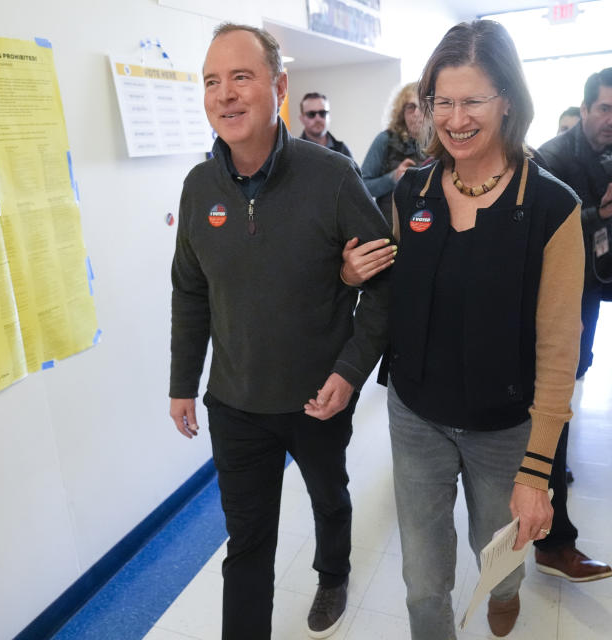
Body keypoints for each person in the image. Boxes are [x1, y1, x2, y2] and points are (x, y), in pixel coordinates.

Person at [344, 20, 584, 638]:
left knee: (497, 557)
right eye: (442, 102)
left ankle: (507, 592)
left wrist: (537, 473)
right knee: (424, 582)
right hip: (416, 413)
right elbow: (381, 283)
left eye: (472, 100)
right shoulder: (413, 190)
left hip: (504, 426)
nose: (455, 119)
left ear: (507, 99)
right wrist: (352, 272)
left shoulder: (553, 208)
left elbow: (560, 349)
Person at [169, 23, 390, 640]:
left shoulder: (333, 176)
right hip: (234, 404)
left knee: (328, 495)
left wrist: (348, 375)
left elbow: (384, 286)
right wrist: (183, 381)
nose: (226, 94)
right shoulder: (197, 189)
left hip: (316, 397)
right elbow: (189, 291)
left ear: (279, 87)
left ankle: (333, 570)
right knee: (247, 545)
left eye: (242, 77)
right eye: (213, 81)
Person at [532, 66, 612, 584]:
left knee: (568, 385)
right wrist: (602, 214)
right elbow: (543, 239)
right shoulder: (552, 158)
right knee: (551, 397)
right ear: (586, 105)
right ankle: (555, 538)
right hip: (552, 300)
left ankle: (542, 474)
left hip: (590, 288)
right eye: (605, 109)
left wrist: (610, 213)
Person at [361, 82, 427, 216]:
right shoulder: (385, 139)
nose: (416, 113)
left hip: (427, 220)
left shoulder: (442, 142)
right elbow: (362, 186)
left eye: (423, 106)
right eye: (411, 107)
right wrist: (393, 177)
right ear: (402, 112)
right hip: (391, 224)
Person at [298, 91, 353, 158]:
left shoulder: (343, 150)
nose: (318, 119)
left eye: (322, 113)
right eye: (311, 114)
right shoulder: (294, 152)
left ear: (329, 116)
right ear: (302, 119)